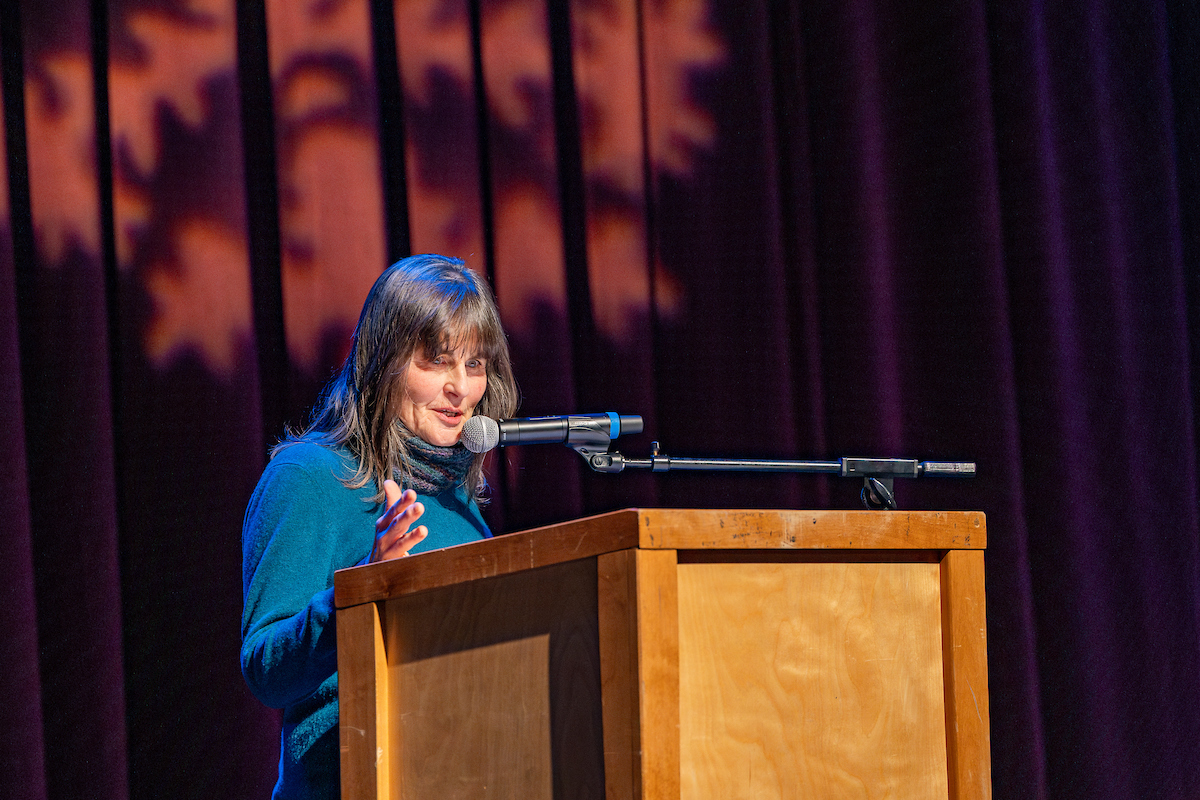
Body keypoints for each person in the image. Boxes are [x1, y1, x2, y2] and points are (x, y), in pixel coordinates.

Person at [240, 254, 519, 799]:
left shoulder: (455, 495)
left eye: (476, 365)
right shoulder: (310, 477)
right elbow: (265, 669)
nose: (460, 389)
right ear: (384, 361)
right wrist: (366, 585)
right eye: (437, 362)